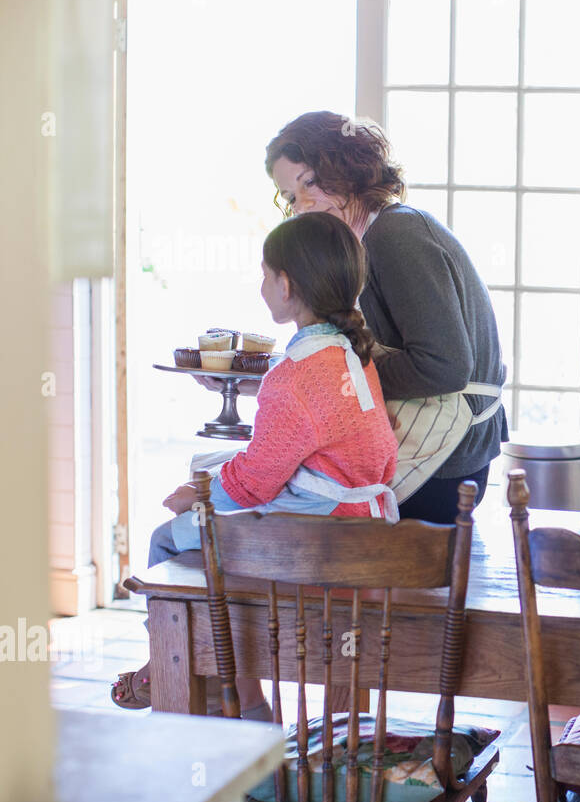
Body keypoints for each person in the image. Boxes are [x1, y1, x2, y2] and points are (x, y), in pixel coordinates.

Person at [112, 212, 399, 714]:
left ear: (286, 285)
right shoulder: (357, 357)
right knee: (216, 504)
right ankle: (234, 688)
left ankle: (204, 677)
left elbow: (255, 484)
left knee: (169, 535)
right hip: (364, 530)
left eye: (265, 274)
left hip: (316, 543)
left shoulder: (292, 375)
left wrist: (195, 495)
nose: (262, 284)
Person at [264, 111, 508, 523]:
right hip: (444, 448)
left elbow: (444, 366)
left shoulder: (396, 235)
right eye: (291, 196)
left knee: (281, 515)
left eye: (309, 182)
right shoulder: (370, 239)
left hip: (447, 461)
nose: (303, 205)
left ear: (347, 168)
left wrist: (332, 383)